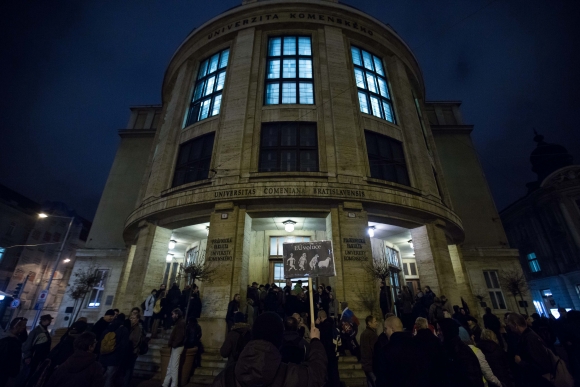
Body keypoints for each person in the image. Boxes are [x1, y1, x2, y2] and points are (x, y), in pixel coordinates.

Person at [211, 312, 327, 387]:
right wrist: (315, 341)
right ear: (279, 338)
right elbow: (317, 375)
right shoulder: (290, 376)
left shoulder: (224, 378)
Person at [506, 312, 559, 387]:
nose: (508, 326)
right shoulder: (526, 336)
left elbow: (540, 365)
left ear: (515, 325)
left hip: (538, 381)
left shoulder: (529, 339)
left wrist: (520, 362)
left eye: (509, 323)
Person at [373, 316, 422, 387]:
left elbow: (382, 378)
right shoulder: (416, 346)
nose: (384, 332)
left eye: (386, 329)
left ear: (392, 329)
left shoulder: (385, 351)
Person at [438, 318, 484, 387]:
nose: (438, 333)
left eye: (440, 330)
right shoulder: (446, 349)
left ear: (447, 331)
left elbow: (473, 378)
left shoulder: (462, 351)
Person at [413, 317, 445, 386]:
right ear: (426, 325)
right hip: (436, 373)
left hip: (421, 374)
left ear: (416, 326)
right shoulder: (435, 340)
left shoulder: (413, 341)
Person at [99, 314, 130, 387]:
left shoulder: (108, 328)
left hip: (103, 356)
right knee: (109, 378)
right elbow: (124, 345)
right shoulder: (123, 330)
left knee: (99, 376)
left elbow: (101, 341)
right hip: (114, 358)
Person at [162, 309, 186, 387]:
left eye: (173, 314)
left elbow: (180, 336)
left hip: (178, 347)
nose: (172, 316)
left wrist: (174, 344)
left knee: (174, 367)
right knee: (170, 366)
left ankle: (174, 385)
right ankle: (165, 383)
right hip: (176, 346)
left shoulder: (180, 323)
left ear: (177, 314)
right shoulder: (179, 323)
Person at [0, 317, 27, 387]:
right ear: (16, 326)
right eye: (23, 325)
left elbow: (24, 338)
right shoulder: (8, 341)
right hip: (5, 373)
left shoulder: (15, 339)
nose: (24, 328)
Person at [316, 311, 340, 387]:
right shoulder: (332, 325)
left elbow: (322, 339)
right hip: (334, 352)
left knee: (330, 374)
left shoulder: (324, 326)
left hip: (328, 353)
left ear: (320, 318)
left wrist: (317, 325)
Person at [123, 313, 142, 387]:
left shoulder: (137, 329)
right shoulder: (130, 327)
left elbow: (135, 341)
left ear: (137, 320)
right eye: (131, 318)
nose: (132, 320)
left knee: (129, 369)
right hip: (128, 351)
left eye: (133, 318)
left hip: (132, 352)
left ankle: (126, 384)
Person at [360, 315, 378, 387]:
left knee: (369, 382)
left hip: (365, 363)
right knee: (375, 382)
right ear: (369, 323)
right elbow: (374, 350)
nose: (377, 323)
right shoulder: (372, 335)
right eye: (375, 321)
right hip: (371, 364)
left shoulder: (363, 333)